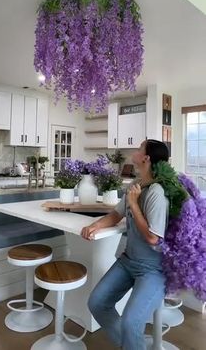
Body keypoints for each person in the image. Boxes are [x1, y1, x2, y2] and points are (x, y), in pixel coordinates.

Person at [81, 139, 170, 350]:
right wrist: (96, 225)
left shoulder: (157, 192)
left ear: (146, 158)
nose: (136, 151)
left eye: (140, 148)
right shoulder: (135, 185)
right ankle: (131, 345)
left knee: (131, 322)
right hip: (128, 261)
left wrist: (134, 204)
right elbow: (116, 214)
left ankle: (132, 344)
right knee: (97, 303)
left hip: (153, 268)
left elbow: (153, 238)